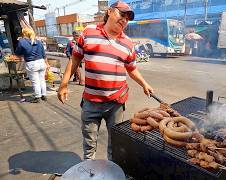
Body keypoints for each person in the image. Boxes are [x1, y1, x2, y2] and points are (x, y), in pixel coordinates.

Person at [57, 1, 154, 160]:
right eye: (122, 15)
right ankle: (89, 172)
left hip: (116, 103)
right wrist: (63, 84)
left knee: (115, 145)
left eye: (128, 18)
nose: (124, 20)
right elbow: (75, 58)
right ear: (109, 11)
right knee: (89, 145)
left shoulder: (128, 43)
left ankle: (112, 173)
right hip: (91, 102)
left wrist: (144, 84)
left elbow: (132, 68)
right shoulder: (89, 32)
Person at [15, 28, 50, 103]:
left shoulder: (22, 41)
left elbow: (18, 53)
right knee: (42, 80)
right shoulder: (38, 41)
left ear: (24, 33)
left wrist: (19, 42)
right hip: (41, 62)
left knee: (35, 81)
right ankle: (44, 95)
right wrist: (47, 64)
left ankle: (37, 97)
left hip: (32, 64)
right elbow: (44, 54)